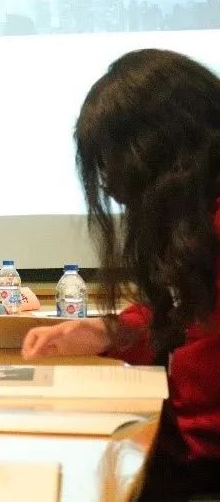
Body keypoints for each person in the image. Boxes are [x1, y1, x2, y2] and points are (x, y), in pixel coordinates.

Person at [21, 49, 220, 498]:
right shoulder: (204, 220)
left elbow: (204, 433)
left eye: (112, 161)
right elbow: (189, 316)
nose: (109, 185)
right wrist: (112, 330)